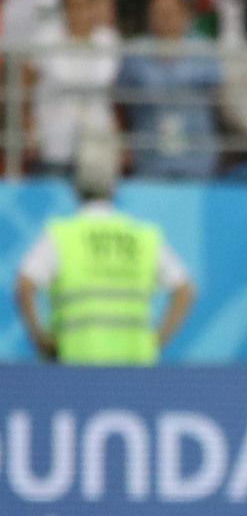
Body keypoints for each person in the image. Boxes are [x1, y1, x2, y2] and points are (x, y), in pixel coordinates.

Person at [14, 144, 196, 366]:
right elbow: (184, 289)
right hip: (135, 363)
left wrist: (41, 340)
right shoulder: (143, 237)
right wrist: (156, 341)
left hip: (77, 361)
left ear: (75, 188)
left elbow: (25, 284)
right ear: (115, 188)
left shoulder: (62, 235)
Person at [118, 0, 223, 179]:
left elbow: (218, 99)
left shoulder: (204, 50)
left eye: (171, 12)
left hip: (197, 157)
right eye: (158, 13)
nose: (165, 18)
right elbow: (121, 101)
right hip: (150, 157)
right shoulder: (135, 52)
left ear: (185, 15)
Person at [29, 0, 115, 177]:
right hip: (53, 141)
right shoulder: (45, 39)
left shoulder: (108, 40)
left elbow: (106, 83)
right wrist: (30, 127)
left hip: (96, 143)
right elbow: (26, 87)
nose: (78, 11)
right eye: (71, 4)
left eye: (83, 4)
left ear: (93, 5)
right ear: (63, 7)